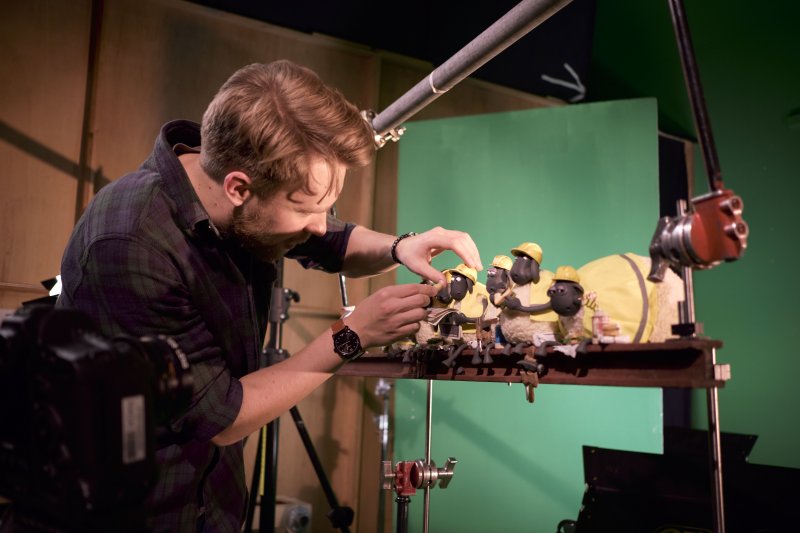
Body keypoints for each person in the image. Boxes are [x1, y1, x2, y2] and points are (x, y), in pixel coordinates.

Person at [56, 59, 482, 532]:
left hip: (210, 504)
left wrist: (400, 246)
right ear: (239, 188)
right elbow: (221, 416)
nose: (320, 225)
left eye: (326, 206)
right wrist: (353, 335)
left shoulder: (234, 191)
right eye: (306, 209)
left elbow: (330, 239)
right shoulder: (131, 243)